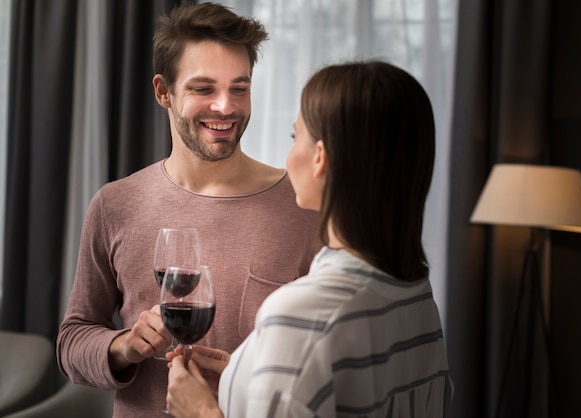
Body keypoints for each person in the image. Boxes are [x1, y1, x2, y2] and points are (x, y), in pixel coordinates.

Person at [56, 3, 320, 417]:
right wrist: (123, 345)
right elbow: (72, 342)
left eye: (239, 88)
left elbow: (331, 361)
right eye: (203, 88)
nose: (225, 107)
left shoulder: (303, 207)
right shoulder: (115, 203)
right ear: (164, 91)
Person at [165, 61, 453, 417]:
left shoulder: (302, 314)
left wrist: (199, 412)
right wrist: (247, 376)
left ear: (320, 158)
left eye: (294, 136)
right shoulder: (418, 298)